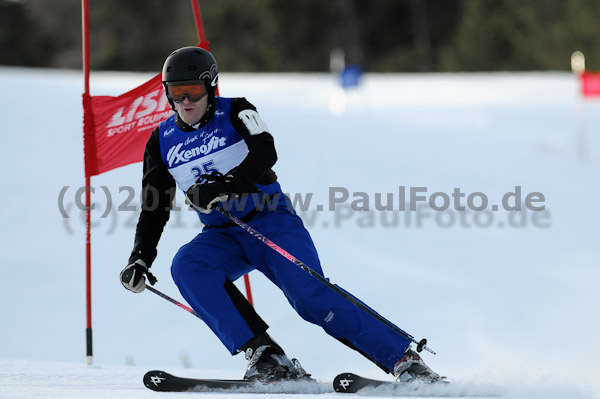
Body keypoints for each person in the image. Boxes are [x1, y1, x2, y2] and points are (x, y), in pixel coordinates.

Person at [120, 46, 442, 383]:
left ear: (210, 87)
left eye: (194, 91)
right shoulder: (162, 140)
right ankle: (267, 357)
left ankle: (405, 361)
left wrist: (227, 186)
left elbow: (265, 150)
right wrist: (140, 257)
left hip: (270, 220)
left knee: (310, 298)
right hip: (222, 234)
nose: (185, 100)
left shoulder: (235, 111)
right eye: (176, 92)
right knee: (188, 265)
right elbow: (153, 204)